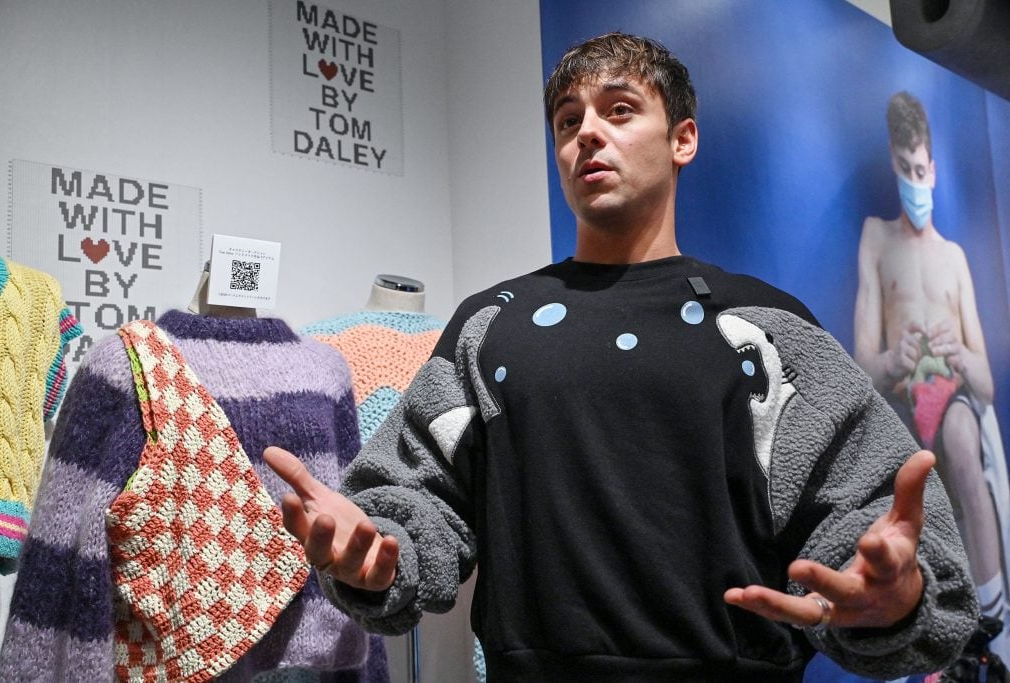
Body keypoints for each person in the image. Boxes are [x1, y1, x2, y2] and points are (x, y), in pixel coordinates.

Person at [266, 34, 977, 681]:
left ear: (683, 139)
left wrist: (897, 596)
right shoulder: (492, 327)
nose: (589, 135)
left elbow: (875, 525)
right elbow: (411, 500)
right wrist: (374, 551)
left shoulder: (763, 327)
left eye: (620, 110)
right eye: (569, 121)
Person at [854, 91, 1005, 652]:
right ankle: (926, 629)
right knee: (903, 463)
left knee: (964, 439)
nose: (916, 181)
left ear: (934, 169)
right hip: (899, 397)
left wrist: (961, 356)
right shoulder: (876, 237)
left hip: (954, 397)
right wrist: (895, 358)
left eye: (923, 170)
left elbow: (987, 384)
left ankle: (991, 629)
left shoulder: (955, 258)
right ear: (894, 166)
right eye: (905, 169)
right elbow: (864, 364)